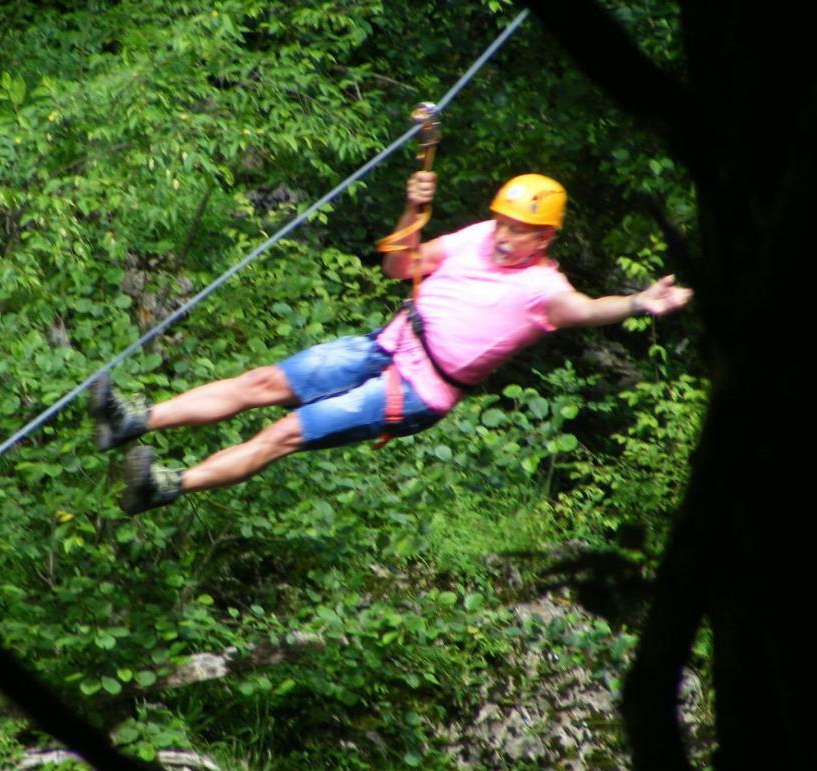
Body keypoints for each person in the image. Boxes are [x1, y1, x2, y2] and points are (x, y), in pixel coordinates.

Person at [89, 171, 692, 515]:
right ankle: (131, 423)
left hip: (417, 390)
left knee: (282, 433)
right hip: (386, 344)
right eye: (506, 223)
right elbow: (398, 267)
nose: (508, 237)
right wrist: (412, 207)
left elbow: (592, 309)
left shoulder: (544, 288)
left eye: (524, 231)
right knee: (261, 383)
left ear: (546, 238)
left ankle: (164, 486)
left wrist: (639, 301)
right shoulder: (478, 237)